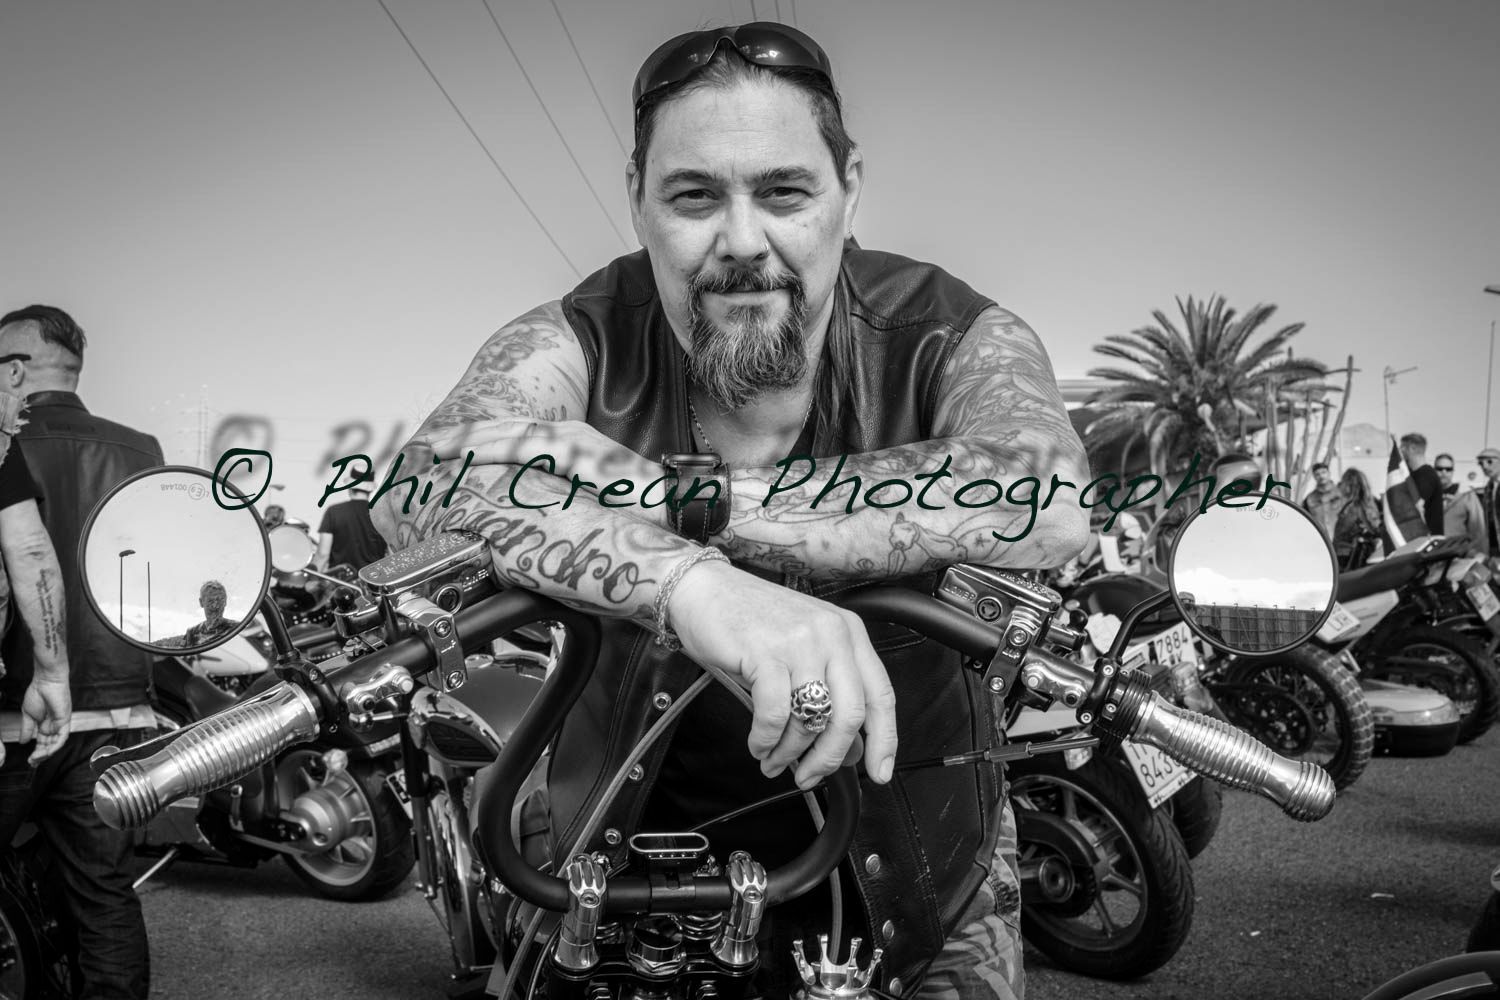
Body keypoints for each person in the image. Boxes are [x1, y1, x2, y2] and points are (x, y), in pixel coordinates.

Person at [373, 22, 1089, 999]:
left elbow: (1044, 497)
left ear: (850, 189)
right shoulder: (579, 332)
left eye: (784, 191)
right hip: (609, 864)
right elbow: (421, 490)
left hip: (925, 860)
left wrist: (677, 498)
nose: (743, 242)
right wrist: (691, 584)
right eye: (695, 195)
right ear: (638, 197)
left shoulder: (944, 328)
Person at [0, 304, 162, 1000]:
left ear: (14, 366)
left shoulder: (8, 442)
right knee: (104, 894)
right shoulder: (141, 450)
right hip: (117, 705)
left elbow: (27, 548)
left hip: (17, 710)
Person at [316, 468, 387, 572]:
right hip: (372, 582)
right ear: (370, 489)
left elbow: (323, 554)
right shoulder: (383, 514)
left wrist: (312, 580)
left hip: (340, 583)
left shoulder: (334, 512)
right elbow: (390, 554)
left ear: (350, 486)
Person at [1436, 453, 1486, 557]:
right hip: (1431, 556)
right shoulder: (1427, 495)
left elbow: (1478, 529)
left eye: (1448, 469)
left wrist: (1480, 556)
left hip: (1458, 556)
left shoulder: (1466, 495)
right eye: (1439, 469)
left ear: (1453, 471)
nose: (1444, 472)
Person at [1333, 468, 1382, 569]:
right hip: (1368, 556)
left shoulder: (1352, 508)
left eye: (1342, 482)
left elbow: (1341, 534)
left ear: (1349, 485)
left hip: (1348, 558)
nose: (1340, 485)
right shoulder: (1371, 503)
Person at [1399, 433, 1445, 537]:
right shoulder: (1415, 475)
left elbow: (1415, 504)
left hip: (1428, 542)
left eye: (1402, 448)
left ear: (1412, 448)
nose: (1400, 452)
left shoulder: (1426, 475)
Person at [1302, 461, 1343, 539]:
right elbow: (1305, 521)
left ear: (1329, 473)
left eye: (1323, 472)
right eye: (1317, 474)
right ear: (1314, 477)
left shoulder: (1341, 493)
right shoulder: (1310, 499)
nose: (1321, 476)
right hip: (1321, 541)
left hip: (1341, 540)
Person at [1477, 447, 1500, 558]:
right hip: (1493, 543)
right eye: (1481, 463)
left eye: (1489, 461)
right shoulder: (1488, 487)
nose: (1485, 466)